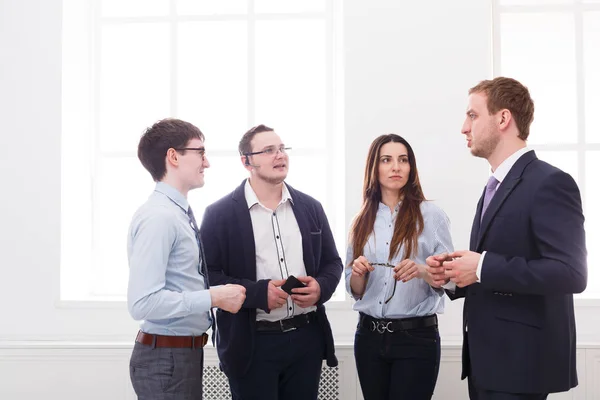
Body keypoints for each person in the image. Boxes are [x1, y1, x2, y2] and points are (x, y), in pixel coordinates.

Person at [426, 77, 588, 399]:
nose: (463, 127)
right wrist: (451, 276)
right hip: (486, 362)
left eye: (472, 115)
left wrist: (482, 266)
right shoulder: (492, 188)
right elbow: (489, 270)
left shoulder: (550, 182)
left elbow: (571, 273)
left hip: (522, 366)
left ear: (503, 119)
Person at [199, 124, 343, 400]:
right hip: (251, 344)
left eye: (281, 149)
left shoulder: (311, 207)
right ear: (246, 161)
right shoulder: (219, 214)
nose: (280, 156)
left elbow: (332, 262)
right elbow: (207, 276)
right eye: (268, 150)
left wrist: (321, 288)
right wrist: (257, 293)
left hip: (306, 340)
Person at [127, 118, 246, 400]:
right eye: (200, 152)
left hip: (179, 355)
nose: (207, 162)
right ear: (173, 156)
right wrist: (213, 297)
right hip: (166, 359)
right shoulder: (160, 217)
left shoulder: (175, 213)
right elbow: (142, 303)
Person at [346, 133, 454, 400]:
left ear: (411, 167)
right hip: (368, 338)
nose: (396, 167)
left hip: (416, 339)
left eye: (403, 160)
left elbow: (451, 279)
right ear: (375, 167)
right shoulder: (360, 220)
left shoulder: (432, 216)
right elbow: (355, 290)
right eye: (387, 160)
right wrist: (358, 272)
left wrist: (421, 270)